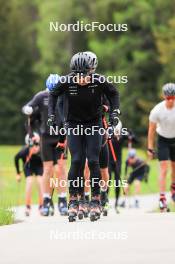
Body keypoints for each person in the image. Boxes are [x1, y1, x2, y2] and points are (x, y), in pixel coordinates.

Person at [47, 51, 121, 222]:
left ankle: (95, 199)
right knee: (77, 160)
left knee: (93, 160)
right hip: (73, 124)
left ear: (92, 71)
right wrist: (51, 115)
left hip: (94, 123)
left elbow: (114, 94)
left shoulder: (99, 81)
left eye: (85, 76)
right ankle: (73, 200)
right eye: (77, 76)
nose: (81, 79)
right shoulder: (66, 81)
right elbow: (53, 94)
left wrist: (114, 114)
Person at [22, 89, 68, 216]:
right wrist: (32, 135)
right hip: (46, 138)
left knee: (61, 169)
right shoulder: (41, 96)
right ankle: (46, 201)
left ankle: (63, 200)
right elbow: (28, 113)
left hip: (61, 136)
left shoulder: (65, 94)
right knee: (47, 169)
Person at [148, 83, 175, 211]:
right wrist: (150, 147)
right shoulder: (157, 110)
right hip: (163, 139)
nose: (170, 100)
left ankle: (173, 189)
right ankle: (162, 198)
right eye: (168, 98)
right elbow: (151, 130)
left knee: (174, 168)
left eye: (173, 98)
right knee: (164, 168)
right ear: (164, 96)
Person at [14, 134, 43, 216]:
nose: (35, 147)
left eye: (37, 144)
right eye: (32, 145)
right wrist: (18, 173)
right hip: (28, 167)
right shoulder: (24, 151)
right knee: (29, 182)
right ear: (28, 145)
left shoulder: (42, 150)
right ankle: (27, 206)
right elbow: (16, 158)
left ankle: (41, 206)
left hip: (39, 166)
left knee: (40, 182)